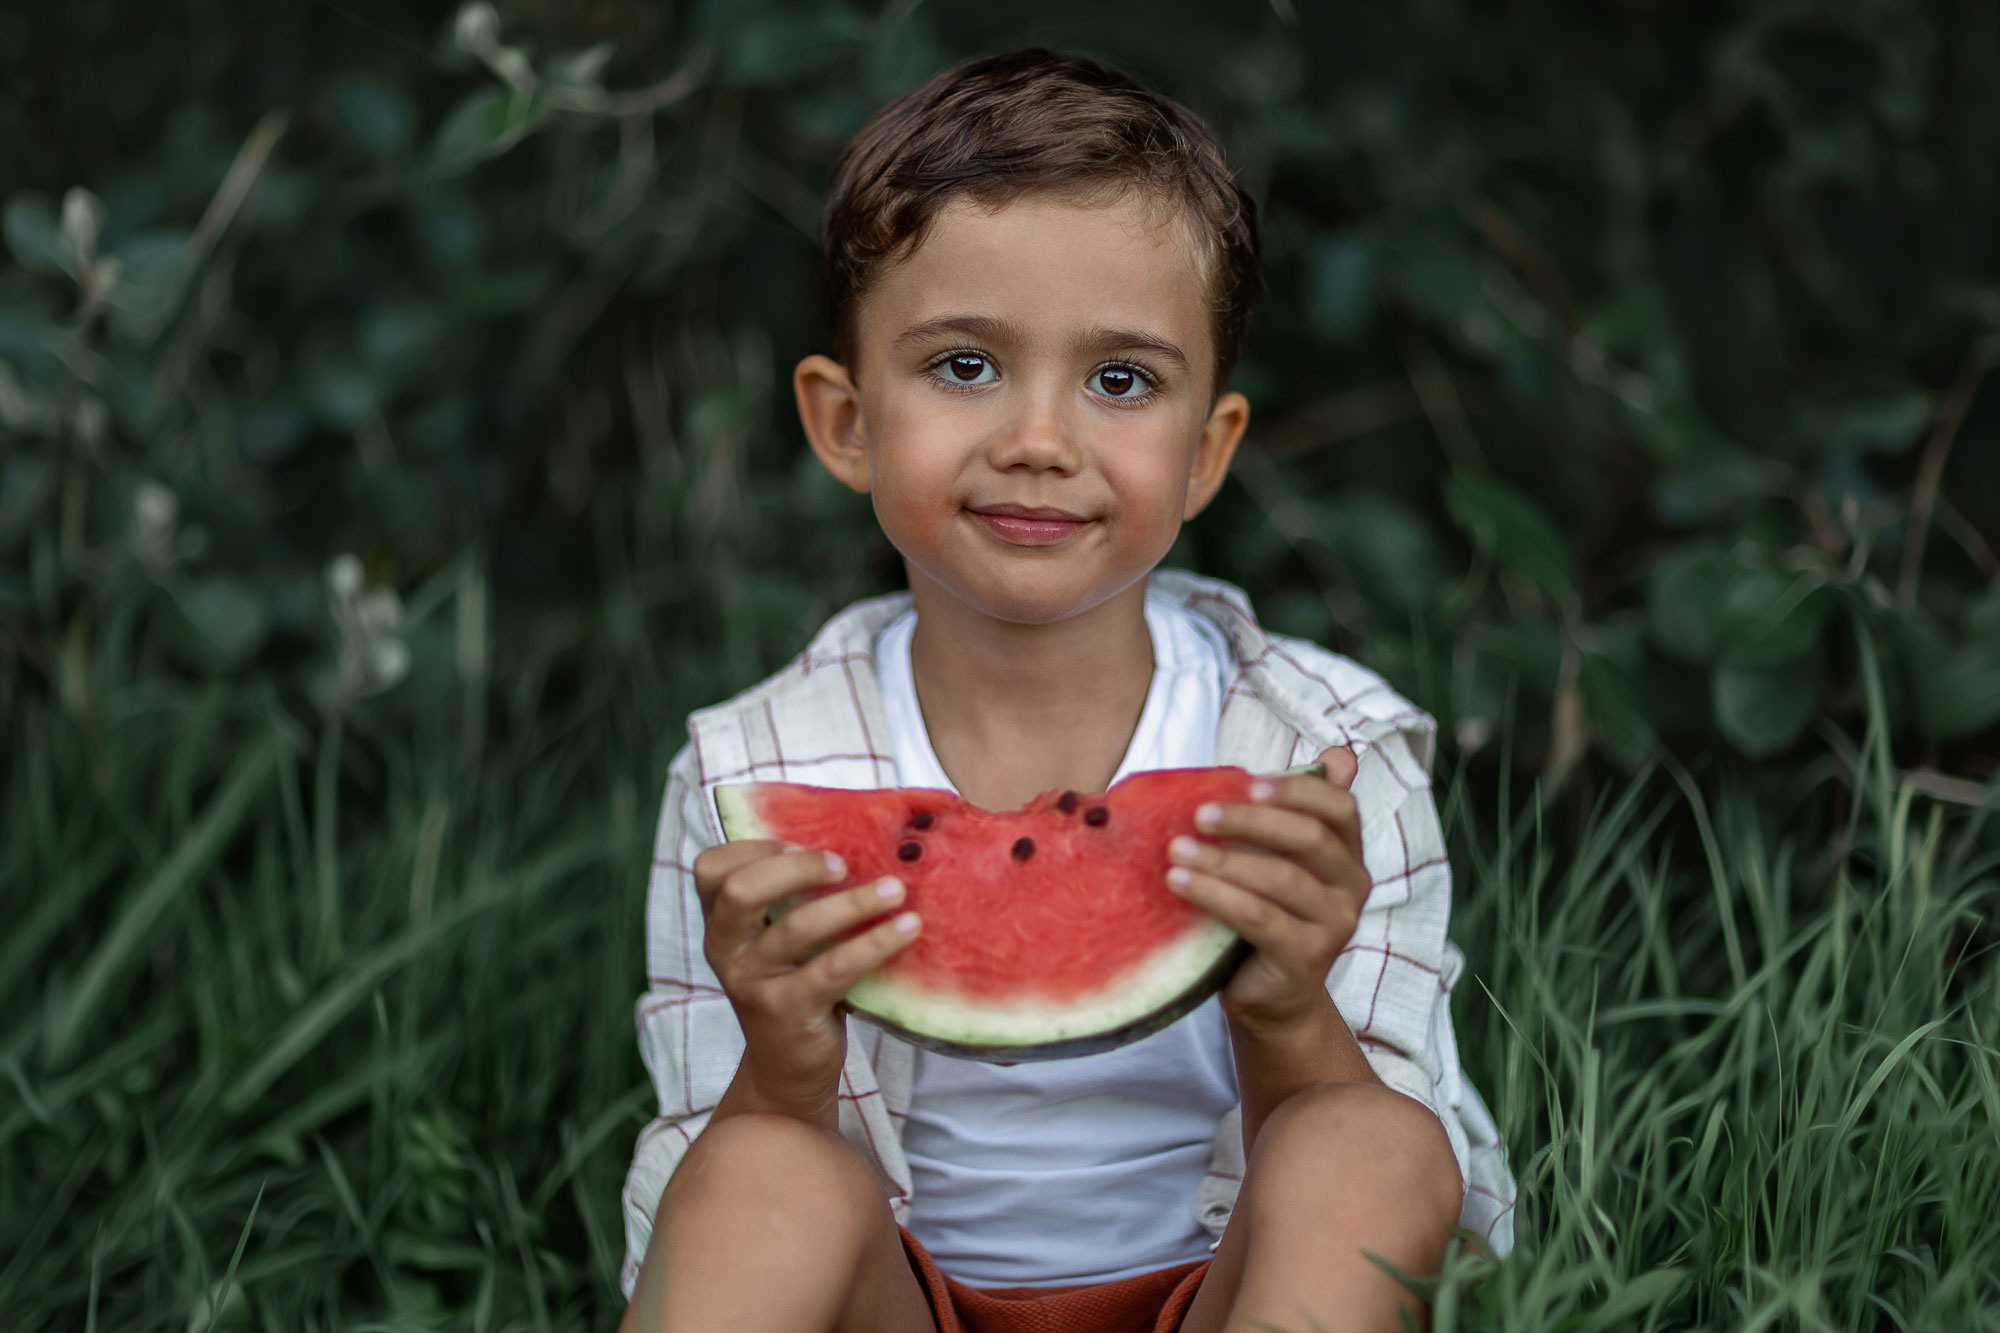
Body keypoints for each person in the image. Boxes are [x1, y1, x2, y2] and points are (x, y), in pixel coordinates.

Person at [616, 48, 1516, 1333]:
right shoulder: (749, 772)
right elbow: (706, 1206)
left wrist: (1284, 1007)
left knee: (1368, 1149)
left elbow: (1414, 1195)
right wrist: (780, 1069)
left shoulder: (1323, 754)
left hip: (1219, 1299)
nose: (1039, 441)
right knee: (761, 1170)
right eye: (964, 366)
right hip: (896, 1308)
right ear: (844, 421)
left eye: (1119, 380)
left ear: (1207, 454)